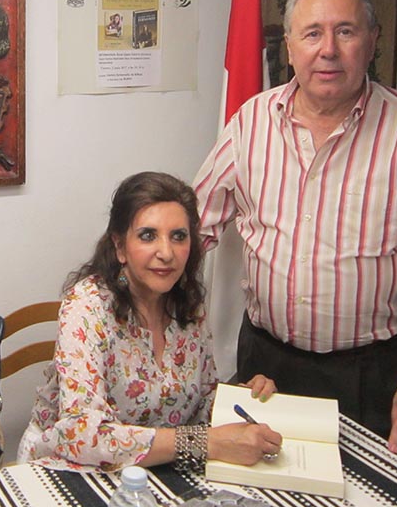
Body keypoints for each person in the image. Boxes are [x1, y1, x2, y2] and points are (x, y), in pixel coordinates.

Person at [193, 0, 397, 459]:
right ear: (289, 47)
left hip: (372, 374)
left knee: (371, 497)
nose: (328, 50)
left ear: (371, 41)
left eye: (345, 31)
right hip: (265, 367)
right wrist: (135, 299)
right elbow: (195, 224)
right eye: (312, 33)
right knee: (260, 493)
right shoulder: (251, 122)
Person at [18, 171, 281, 472]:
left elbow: (202, 401)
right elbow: (83, 436)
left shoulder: (188, 304)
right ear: (120, 247)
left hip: (157, 469)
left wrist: (241, 400)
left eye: (178, 236)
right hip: (70, 469)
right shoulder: (87, 306)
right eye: (148, 236)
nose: (166, 253)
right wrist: (205, 443)